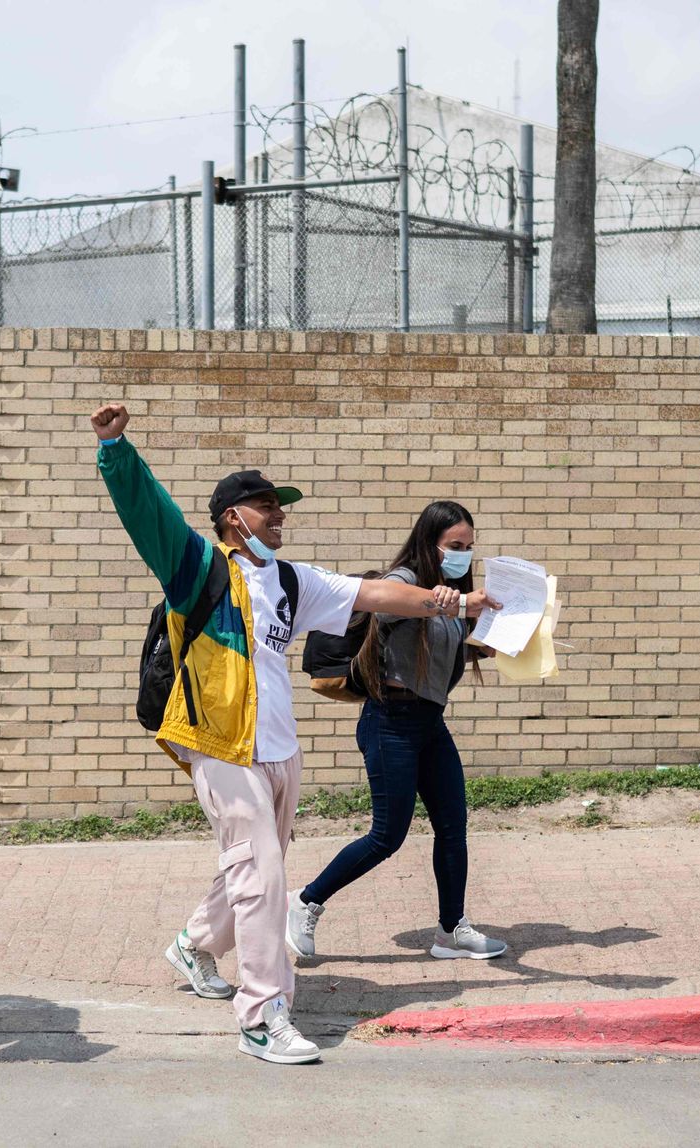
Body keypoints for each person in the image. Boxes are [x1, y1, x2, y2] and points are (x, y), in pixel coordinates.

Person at [91, 403, 490, 1065]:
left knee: (253, 868)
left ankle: (193, 945)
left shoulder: (288, 579)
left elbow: (372, 595)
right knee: (263, 878)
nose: (280, 515)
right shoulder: (198, 569)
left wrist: (450, 601)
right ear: (233, 518)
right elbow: (149, 512)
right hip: (222, 746)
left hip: (278, 750)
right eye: (267, 506)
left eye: (281, 507)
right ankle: (263, 1015)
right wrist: (116, 448)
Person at [286, 500, 507, 965]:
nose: (463, 554)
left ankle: (451, 931)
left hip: (429, 723)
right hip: (390, 722)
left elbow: (426, 656)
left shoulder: (449, 592)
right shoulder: (405, 582)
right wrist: (455, 603)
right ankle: (304, 902)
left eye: (469, 546)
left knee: (453, 829)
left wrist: (479, 650)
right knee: (387, 835)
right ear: (430, 542)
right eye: (454, 545)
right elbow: (387, 611)